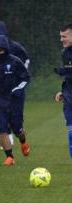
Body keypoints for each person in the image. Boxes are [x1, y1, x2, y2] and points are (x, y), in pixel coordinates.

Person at [0, 35, 30, 166]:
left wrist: (18, 89)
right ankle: (10, 157)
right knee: (2, 129)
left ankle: (23, 141)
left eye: (1, 50)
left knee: (17, 129)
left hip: (15, 101)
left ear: (6, 49)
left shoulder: (15, 61)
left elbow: (26, 78)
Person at [54, 23, 72, 158]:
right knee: (71, 134)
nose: (61, 39)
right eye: (60, 37)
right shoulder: (64, 53)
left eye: (64, 36)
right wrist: (62, 92)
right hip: (69, 96)